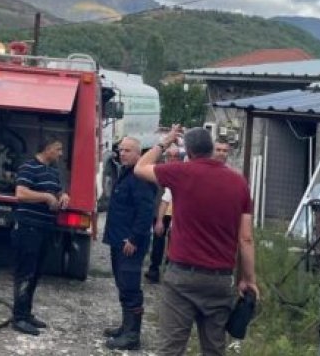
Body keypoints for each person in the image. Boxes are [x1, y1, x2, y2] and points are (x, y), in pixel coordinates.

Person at [135, 126, 259, 356]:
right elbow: (246, 238)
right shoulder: (239, 183)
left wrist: (165, 142)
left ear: (188, 152)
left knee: (171, 348)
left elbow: (140, 167)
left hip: (182, 276)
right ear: (212, 150)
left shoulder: (181, 172)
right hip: (220, 279)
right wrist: (248, 279)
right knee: (214, 349)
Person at [102, 137, 156, 350]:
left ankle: (132, 336)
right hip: (118, 240)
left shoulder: (140, 177)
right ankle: (126, 327)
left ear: (138, 154)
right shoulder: (125, 172)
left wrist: (134, 238)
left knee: (131, 287)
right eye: (120, 150)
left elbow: (145, 212)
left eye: (127, 150)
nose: (122, 153)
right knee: (122, 284)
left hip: (130, 243)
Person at [11, 138, 70, 336]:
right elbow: (21, 193)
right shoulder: (29, 167)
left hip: (45, 228)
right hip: (28, 228)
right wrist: (45, 197)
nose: (60, 153)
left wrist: (63, 195)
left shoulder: (53, 170)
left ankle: (27, 314)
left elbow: (57, 190)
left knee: (36, 273)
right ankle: (19, 318)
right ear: (46, 149)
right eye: (58, 149)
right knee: (25, 272)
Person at [144, 145, 182, 283]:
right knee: (158, 241)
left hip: (177, 213)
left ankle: (170, 270)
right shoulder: (159, 170)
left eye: (175, 156)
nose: (172, 159)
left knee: (174, 242)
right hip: (160, 211)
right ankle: (154, 269)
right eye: (169, 156)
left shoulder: (183, 171)